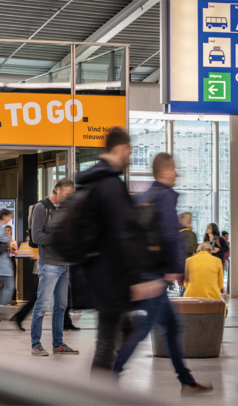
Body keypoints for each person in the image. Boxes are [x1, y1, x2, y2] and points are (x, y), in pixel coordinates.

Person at [110, 152, 212, 395]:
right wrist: (171, 271)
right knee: (143, 329)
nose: (177, 173)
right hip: (155, 275)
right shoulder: (165, 196)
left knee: (173, 325)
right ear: (165, 171)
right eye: (174, 168)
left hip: (144, 272)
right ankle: (110, 376)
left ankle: (186, 381)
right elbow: (168, 235)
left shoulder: (145, 196)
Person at [75, 128, 142, 376]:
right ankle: (100, 393)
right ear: (120, 148)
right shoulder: (111, 184)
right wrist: (135, 280)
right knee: (106, 342)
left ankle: (105, 386)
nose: (131, 158)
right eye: (130, 152)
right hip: (111, 277)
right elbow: (123, 235)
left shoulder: (91, 180)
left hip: (95, 273)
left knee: (120, 331)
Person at [29, 178, 79, 356]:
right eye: (67, 194)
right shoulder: (41, 207)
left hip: (65, 264)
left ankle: (58, 344)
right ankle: (36, 345)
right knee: (42, 305)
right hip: (49, 264)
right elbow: (36, 237)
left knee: (61, 306)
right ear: (57, 190)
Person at [184, 243, 227, 317]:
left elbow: (186, 284)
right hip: (212, 296)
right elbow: (220, 285)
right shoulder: (217, 261)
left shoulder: (188, 260)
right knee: (224, 309)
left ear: (198, 251)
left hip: (191, 296)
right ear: (210, 252)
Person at [177, 212, 198, 295]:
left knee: (185, 288)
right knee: (187, 289)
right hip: (189, 265)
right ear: (189, 222)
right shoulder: (190, 234)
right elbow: (191, 249)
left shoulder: (178, 233)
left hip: (180, 264)